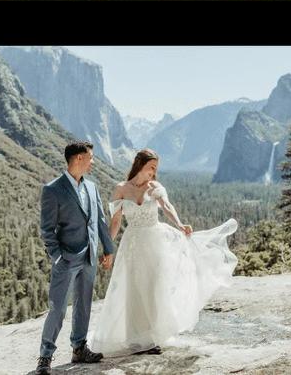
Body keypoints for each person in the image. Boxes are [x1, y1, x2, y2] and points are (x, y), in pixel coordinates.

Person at [89, 149, 239, 358]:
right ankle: (136, 338)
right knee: (133, 287)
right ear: (140, 165)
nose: (153, 172)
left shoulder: (156, 188)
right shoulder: (121, 189)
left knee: (153, 286)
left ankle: (152, 337)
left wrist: (179, 224)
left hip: (155, 242)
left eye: (155, 169)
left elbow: (167, 207)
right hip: (132, 244)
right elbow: (114, 223)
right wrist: (107, 247)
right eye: (151, 167)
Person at [37, 142, 114, 373]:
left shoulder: (91, 187)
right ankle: (45, 357)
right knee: (58, 308)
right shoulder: (52, 189)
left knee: (83, 305)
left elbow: (99, 220)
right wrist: (58, 257)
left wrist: (108, 249)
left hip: (89, 256)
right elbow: (46, 229)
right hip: (66, 259)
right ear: (79, 158)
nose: (92, 162)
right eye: (90, 157)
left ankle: (79, 348)